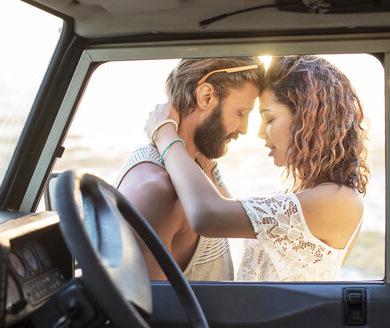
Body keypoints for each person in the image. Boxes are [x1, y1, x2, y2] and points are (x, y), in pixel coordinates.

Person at [144, 55, 369, 281]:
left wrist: (165, 134)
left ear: (308, 121)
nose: (260, 133)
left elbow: (208, 215)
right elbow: (233, 210)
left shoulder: (337, 201)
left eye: (269, 119)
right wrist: (207, 163)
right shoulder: (305, 192)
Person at [115, 57, 263, 280]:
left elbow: (229, 209)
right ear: (207, 97)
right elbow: (151, 310)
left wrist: (205, 160)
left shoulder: (195, 169)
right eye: (241, 113)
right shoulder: (154, 188)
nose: (244, 129)